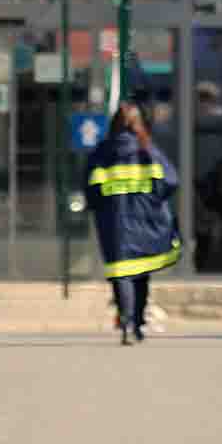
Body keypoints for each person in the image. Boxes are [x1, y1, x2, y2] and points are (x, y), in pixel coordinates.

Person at [84, 101, 182, 346]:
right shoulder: (148, 150)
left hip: (114, 221)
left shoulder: (102, 153)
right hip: (146, 219)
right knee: (141, 273)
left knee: (121, 274)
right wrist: (151, 199)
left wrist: (104, 207)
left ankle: (126, 322)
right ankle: (137, 324)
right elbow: (170, 181)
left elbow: (91, 189)